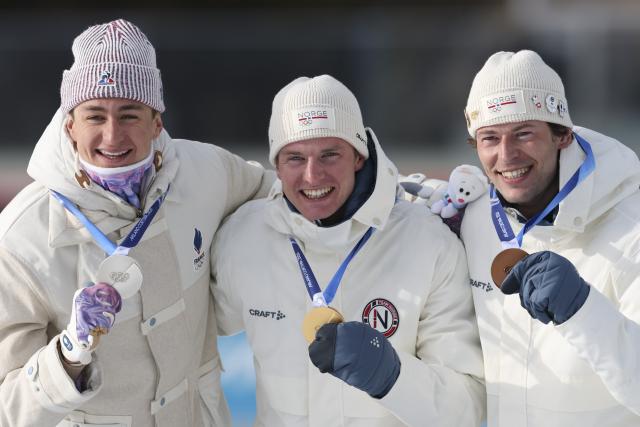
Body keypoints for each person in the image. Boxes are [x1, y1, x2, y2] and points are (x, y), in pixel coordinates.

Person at [0, 19, 274, 426]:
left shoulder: (205, 171)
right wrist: (69, 354)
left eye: (129, 114)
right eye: (95, 115)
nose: (113, 136)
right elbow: (8, 408)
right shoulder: (22, 237)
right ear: (70, 125)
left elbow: (281, 201)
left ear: (157, 121)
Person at [211, 75, 485, 426]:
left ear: (358, 156)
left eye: (329, 155)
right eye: (295, 158)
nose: (313, 176)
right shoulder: (244, 240)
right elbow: (188, 330)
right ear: (276, 165)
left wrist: (392, 377)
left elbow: (469, 406)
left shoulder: (427, 243)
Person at [412, 50, 640, 426]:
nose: (506, 155)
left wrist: (583, 310)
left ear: (562, 134)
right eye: (489, 138)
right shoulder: (473, 216)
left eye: (524, 134)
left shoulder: (630, 229)